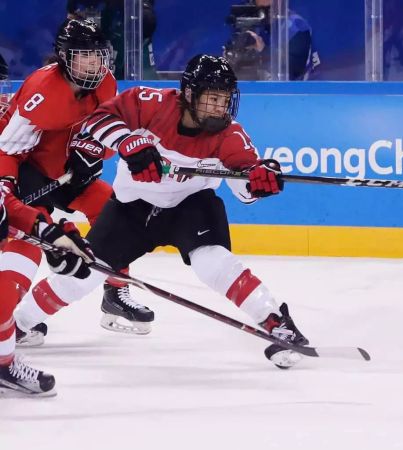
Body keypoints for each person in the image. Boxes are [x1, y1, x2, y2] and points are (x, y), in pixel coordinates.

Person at [13, 54, 309, 370]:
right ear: (189, 95)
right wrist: (127, 142)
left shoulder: (229, 134)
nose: (220, 108)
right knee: (84, 274)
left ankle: (277, 321)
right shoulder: (150, 103)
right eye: (213, 99)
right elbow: (98, 120)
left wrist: (261, 180)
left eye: (225, 100)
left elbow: (246, 185)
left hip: (191, 209)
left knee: (213, 263)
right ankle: (20, 322)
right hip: (132, 210)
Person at [0, 19, 154, 345]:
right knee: (29, 237)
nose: (94, 63)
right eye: (84, 55)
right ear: (64, 57)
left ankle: (116, 291)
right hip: (30, 172)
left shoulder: (106, 84)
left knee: (116, 209)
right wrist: (5, 188)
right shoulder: (41, 91)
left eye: (98, 55)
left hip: (70, 172)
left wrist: (95, 150)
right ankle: (7, 319)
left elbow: (108, 128)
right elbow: (7, 149)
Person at [0, 34, 100, 396]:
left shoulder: (12, 133)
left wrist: (51, 231)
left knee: (15, 271)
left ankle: (3, 362)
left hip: (19, 193)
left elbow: (9, 206)